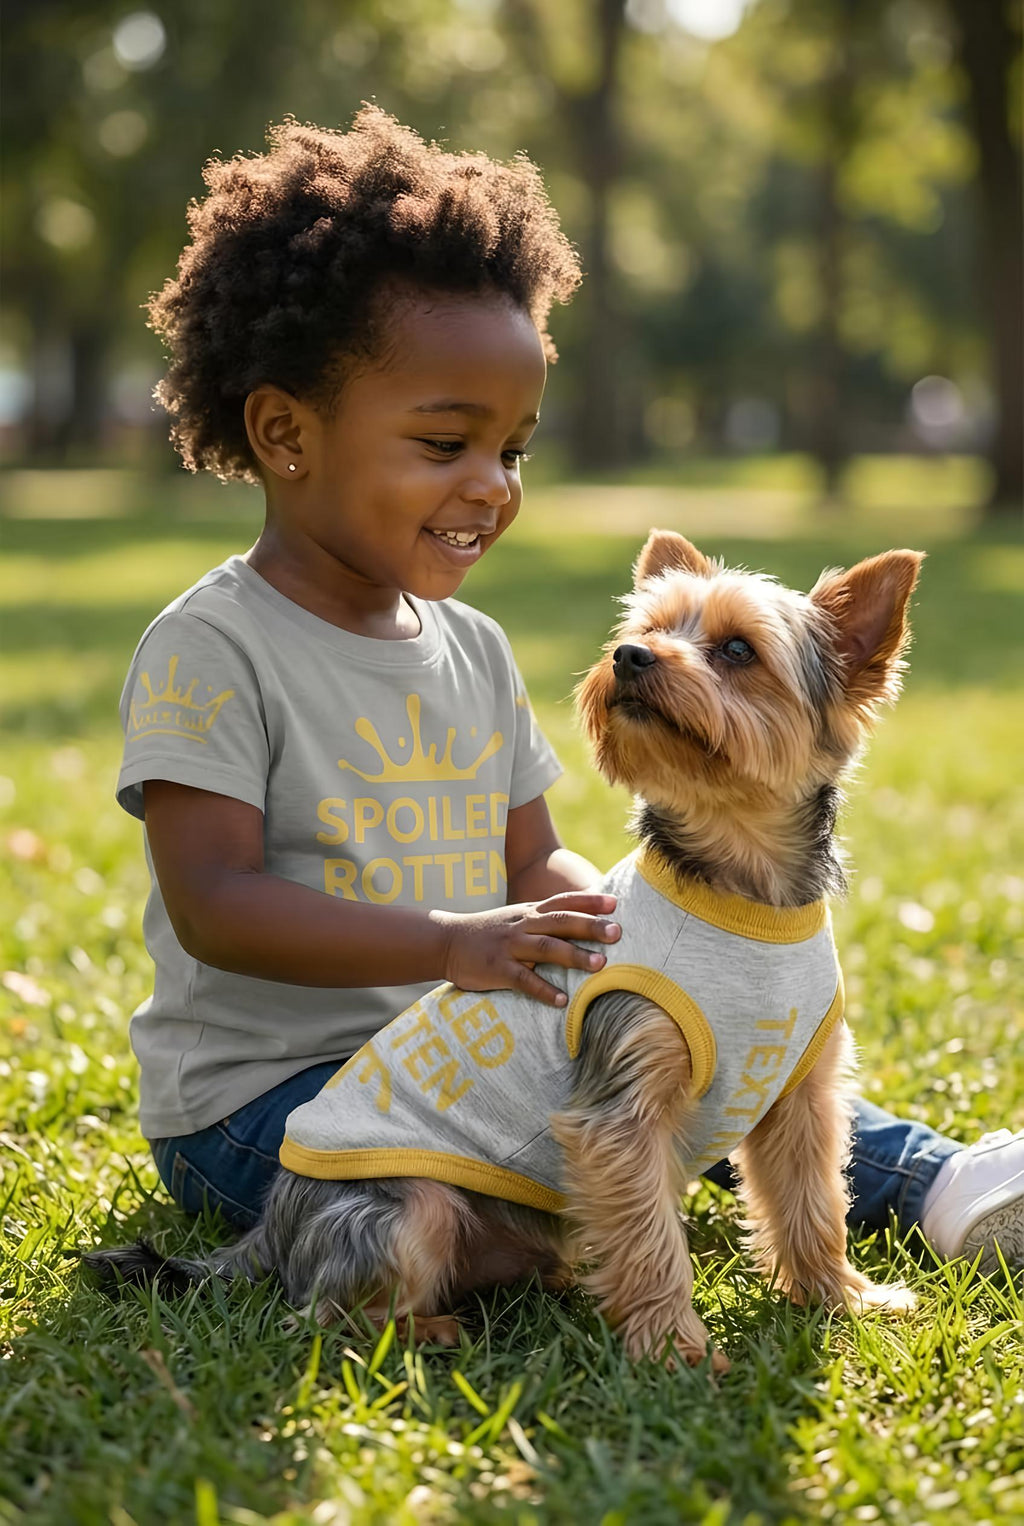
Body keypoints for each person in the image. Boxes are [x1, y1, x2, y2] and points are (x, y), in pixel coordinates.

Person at [116, 106, 1022, 1276]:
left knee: (706, 1040)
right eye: (447, 444)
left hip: (471, 1034)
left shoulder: (473, 647)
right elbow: (216, 903)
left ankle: (944, 1181)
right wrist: (452, 944)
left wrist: (636, 939)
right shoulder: (213, 647)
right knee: (611, 1131)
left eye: (514, 450)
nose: (490, 485)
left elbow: (535, 864)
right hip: (262, 1102)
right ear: (287, 433)